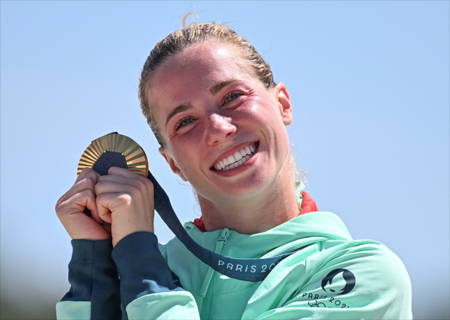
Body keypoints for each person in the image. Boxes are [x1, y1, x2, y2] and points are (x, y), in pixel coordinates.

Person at [55, 17, 412, 320]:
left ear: (283, 104)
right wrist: (93, 264)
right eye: (185, 121)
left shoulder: (365, 276)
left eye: (232, 97)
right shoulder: (142, 268)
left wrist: (142, 267)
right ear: (171, 164)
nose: (218, 129)